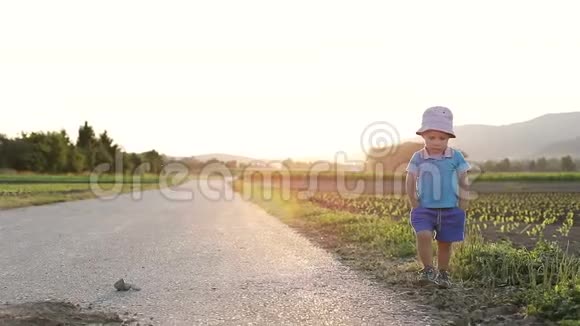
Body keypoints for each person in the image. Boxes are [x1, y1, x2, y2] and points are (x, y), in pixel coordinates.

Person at [405, 106, 471, 288]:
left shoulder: (455, 156)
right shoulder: (418, 157)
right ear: (423, 136)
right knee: (423, 234)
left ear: (449, 138)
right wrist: (414, 202)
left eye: (442, 138)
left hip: (450, 208)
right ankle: (428, 269)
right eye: (431, 137)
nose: (436, 142)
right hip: (424, 208)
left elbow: (464, 180)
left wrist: (463, 204)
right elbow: (410, 179)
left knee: (445, 243)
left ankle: (443, 272)